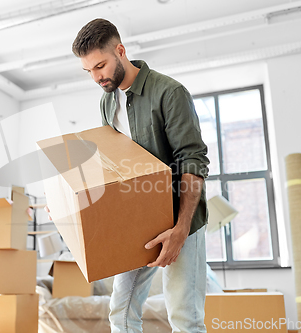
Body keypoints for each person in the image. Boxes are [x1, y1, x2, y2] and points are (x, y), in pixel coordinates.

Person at [70, 18, 210, 333]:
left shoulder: (169, 92)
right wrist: (71, 202)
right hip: (138, 222)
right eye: (88, 71)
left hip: (181, 222)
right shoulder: (107, 103)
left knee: (185, 319)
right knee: (120, 313)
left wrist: (181, 228)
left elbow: (193, 160)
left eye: (101, 66)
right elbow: (112, 169)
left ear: (120, 51)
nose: (96, 77)